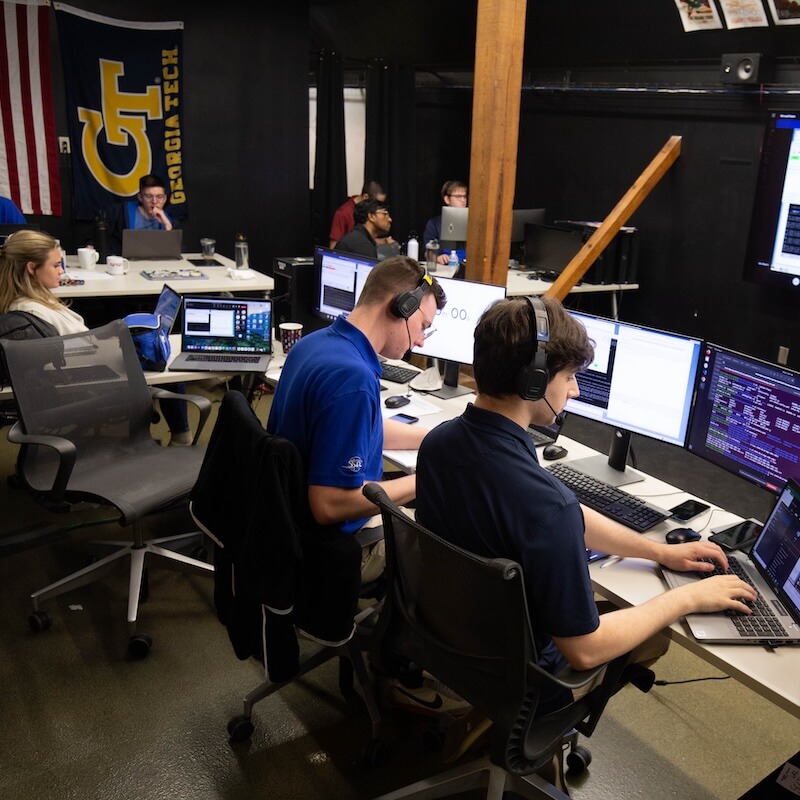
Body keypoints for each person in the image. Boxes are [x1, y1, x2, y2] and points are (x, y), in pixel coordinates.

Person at [415, 296, 756, 714]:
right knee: (656, 632)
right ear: (535, 381)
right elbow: (585, 651)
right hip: (522, 682)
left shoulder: (440, 443)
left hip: (450, 639)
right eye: (571, 376)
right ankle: (546, 732)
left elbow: (566, 515)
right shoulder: (545, 504)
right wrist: (686, 600)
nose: (575, 390)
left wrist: (659, 551)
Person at [267, 255, 446, 582]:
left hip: (285, 521)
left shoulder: (316, 344)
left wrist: (435, 438)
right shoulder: (352, 379)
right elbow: (328, 505)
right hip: (332, 541)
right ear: (400, 308)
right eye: (423, 327)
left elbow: (367, 429)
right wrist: (427, 480)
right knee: (454, 549)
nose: (420, 341)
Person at [0, 230, 193, 446]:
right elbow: (71, 351)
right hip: (89, 377)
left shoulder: (29, 302)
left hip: (86, 361)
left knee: (156, 350)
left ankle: (179, 437)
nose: (62, 270)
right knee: (168, 365)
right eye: (55, 265)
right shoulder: (31, 313)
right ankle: (182, 439)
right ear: (31, 268)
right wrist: (115, 345)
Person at [106, 174, 177, 254]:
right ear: (140, 197)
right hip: (128, 263)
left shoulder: (170, 219)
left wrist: (167, 225)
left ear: (164, 199)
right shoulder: (120, 212)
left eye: (159, 197)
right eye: (149, 196)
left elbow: (175, 252)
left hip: (158, 264)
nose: (154, 201)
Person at [328, 180, 386, 249]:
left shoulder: (367, 211)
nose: (378, 207)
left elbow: (363, 239)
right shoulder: (343, 213)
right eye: (376, 203)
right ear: (365, 197)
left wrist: (384, 241)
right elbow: (333, 247)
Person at [423, 180, 468, 266]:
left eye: (465, 197)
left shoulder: (472, 223)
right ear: (447, 199)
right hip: (445, 267)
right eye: (458, 197)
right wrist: (437, 258)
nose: (463, 200)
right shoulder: (434, 223)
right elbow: (427, 252)